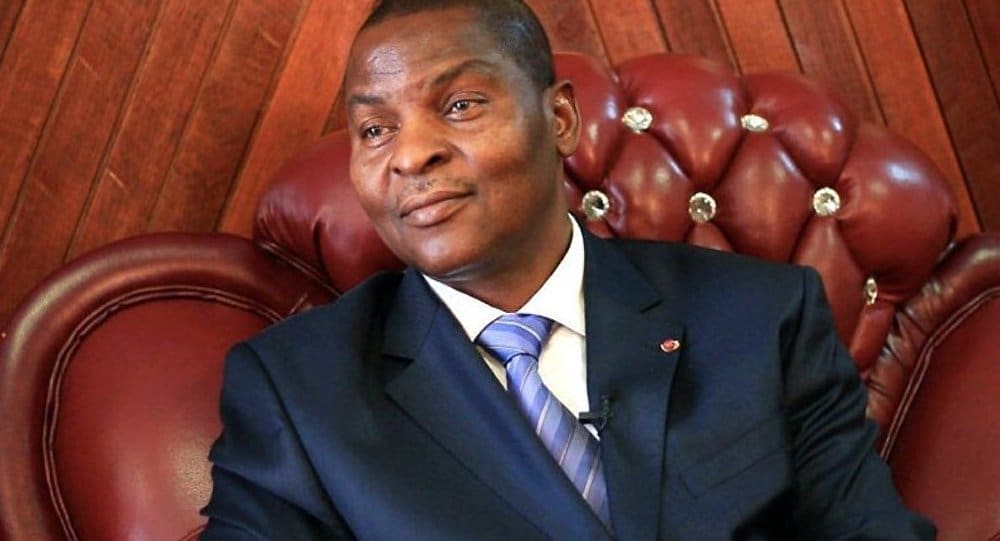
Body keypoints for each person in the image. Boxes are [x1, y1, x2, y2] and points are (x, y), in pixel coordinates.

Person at [201, 1, 935, 539]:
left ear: (559, 121)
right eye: (374, 128)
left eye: (459, 105)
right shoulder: (297, 390)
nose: (411, 153)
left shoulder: (762, 317)